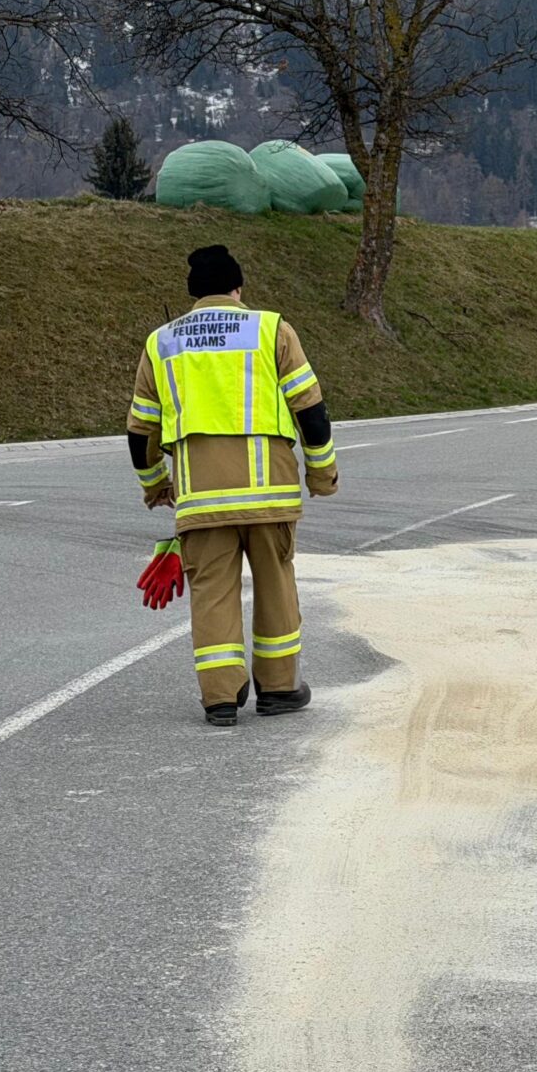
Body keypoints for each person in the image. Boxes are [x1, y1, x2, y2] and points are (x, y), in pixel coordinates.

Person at [128, 244, 339, 725]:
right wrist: (322, 473)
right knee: (275, 586)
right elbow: (311, 408)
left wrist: (155, 484)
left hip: (202, 500)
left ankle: (221, 697)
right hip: (270, 496)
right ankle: (279, 689)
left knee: (213, 594)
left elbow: (140, 429)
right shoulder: (271, 329)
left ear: (193, 296)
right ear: (238, 289)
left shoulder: (162, 343)